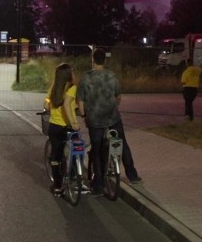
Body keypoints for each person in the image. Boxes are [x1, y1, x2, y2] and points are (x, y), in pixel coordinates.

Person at [77, 47, 142, 196]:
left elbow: (80, 100)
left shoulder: (86, 77)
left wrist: (83, 115)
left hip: (94, 120)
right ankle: (132, 175)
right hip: (113, 118)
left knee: (97, 149)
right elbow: (118, 97)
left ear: (93, 60)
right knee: (123, 143)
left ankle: (98, 185)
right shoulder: (112, 76)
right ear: (105, 60)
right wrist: (113, 107)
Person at [44, 62, 80, 196]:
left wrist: (49, 105)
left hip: (54, 126)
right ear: (69, 75)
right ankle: (75, 177)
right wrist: (73, 122)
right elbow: (66, 105)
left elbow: (46, 104)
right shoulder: (71, 88)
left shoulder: (53, 88)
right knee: (76, 150)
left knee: (55, 157)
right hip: (68, 126)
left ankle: (57, 186)